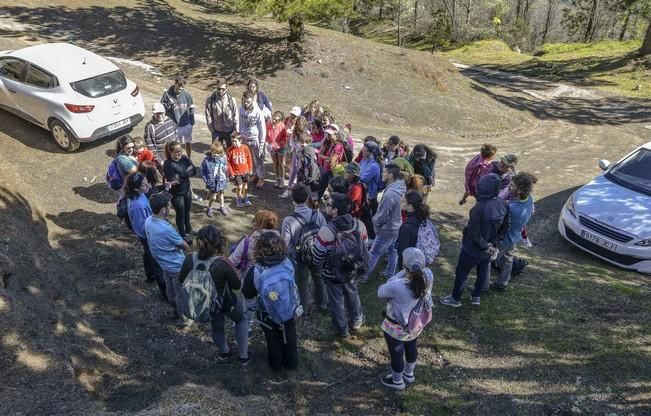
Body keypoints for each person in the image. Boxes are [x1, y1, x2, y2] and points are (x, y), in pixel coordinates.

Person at [178, 225, 251, 364]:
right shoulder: (221, 263)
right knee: (241, 319)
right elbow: (236, 286)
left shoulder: (189, 259)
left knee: (217, 327)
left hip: (207, 304)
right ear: (218, 242)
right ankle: (243, 356)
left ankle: (224, 352)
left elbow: (181, 279)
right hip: (227, 302)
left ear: (198, 241)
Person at [440, 174, 510, 307]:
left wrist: (485, 246)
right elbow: (506, 227)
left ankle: (455, 298)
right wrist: (494, 244)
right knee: (482, 270)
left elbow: (474, 233)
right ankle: (476, 297)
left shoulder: (478, 208)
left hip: (472, 249)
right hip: (489, 248)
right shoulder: (503, 204)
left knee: (462, 272)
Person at [312, 193, 368, 338]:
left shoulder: (326, 231)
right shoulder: (359, 225)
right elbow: (364, 246)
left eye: (329, 204)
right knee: (353, 293)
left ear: (335, 210)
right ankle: (356, 321)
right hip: (354, 270)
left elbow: (317, 257)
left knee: (336, 300)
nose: (326, 205)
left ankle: (342, 329)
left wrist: (321, 267)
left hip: (333, 274)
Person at [378, 247, 433, 390]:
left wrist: (401, 273)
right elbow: (418, 274)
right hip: (415, 325)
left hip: (396, 328)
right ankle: (409, 374)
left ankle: (397, 382)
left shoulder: (398, 285)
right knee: (411, 347)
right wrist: (407, 271)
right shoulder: (428, 275)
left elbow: (381, 291)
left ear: (404, 265)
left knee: (396, 353)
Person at [242, 231, 298, 371]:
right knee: (290, 335)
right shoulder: (289, 262)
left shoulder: (255, 271)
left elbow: (248, 294)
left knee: (272, 338)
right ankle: (291, 363)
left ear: (258, 250)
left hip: (267, 313)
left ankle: (276, 364)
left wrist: (252, 308)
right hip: (289, 308)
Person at [281, 184, 328, 312]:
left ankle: (304, 307)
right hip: (317, 253)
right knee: (318, 277)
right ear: (308, 197)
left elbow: (285, 243)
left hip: (299, 256)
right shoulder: (317, 215)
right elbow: (325, 233)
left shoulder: (288, 220)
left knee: (301, 281)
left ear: (293, 199)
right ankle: (322, 304)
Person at [145, 192, 191, 315]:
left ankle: (175, 310)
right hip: (176, 266)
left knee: (171, 292)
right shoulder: (166, 229)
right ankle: (185, 318)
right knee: (181, 294)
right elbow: (185, 246)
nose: (171, 207)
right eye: (169, 205)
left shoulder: (148, 221)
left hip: (164, 265)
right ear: (163, 210)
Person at [490, 173, 536, 291]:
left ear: (519, 190)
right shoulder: (529, 199)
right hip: (515, 236)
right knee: (507, 259)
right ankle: (502, 283)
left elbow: (497, 222)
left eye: (512, 185)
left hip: (504, 240)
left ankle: (483, 286)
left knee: (486, 261)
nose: (509, 187)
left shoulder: (511, 208)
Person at [362, 164, 406, 282]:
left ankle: (363, 276)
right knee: (392, 250)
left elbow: (381, 216)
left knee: (374, 253)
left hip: (387, 229)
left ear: (390, 175)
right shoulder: (400, 187)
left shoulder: (389, 195)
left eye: (384, 172)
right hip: (396, 225)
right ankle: (390, 273)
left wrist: (376, 225)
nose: (382, 174)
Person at [124, 172, 165, 297]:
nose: (147, 186)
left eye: (147, 182)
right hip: (149, 236)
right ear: (136, 188)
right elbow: (142, 228)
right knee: (157, 262)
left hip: (149, 233)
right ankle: (165, 292)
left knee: (148, 254)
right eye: (144, 185)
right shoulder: (138, 206)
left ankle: (150, 275)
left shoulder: (139, 194)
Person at [229, 210, 279, 279]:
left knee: (232, 248)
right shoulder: (280, 241)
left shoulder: (248, 242)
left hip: (251, 280)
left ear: (259, 224)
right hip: (273, 279)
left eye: (255, 221)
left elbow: (232, 262)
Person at [163, 141, 196, 238]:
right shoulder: (168, 164)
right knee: (180, 213)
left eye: (180, 151)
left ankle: (189, 229)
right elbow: (173, 181)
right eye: (176, 152)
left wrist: (181, 176)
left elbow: (194, 170)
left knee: (187, 210)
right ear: (170, 152)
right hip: (176, 194)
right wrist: (186, 173)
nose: (179, 154)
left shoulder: (184, 158)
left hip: (186, 190)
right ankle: (182, 234)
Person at [161, 75, 195, 159]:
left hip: (186, 124)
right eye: (179, 87)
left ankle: (188, 158)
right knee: (176, 146)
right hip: (174, 126)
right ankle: (178, 160)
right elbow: (162, 109)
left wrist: (191, 122)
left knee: (188, 142)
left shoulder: (187, 95)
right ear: (175, 83)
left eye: (182, 87)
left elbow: (191, 108)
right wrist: (169, 105)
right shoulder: (167, 95)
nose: (181, 89)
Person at [396, 190, 430, 270]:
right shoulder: (421, 218)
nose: (400, 201)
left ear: (410, 206)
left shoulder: (407, 227)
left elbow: (402, 252)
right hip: (419, 259)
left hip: (408, 265)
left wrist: (401, 269)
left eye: (403, 201)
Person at [239, 90, 267, 189]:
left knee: (259, 158)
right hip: (245, 137)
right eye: (244, 101)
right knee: (250, 158)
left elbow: (262, 128)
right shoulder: (241, 108)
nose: (246, 103)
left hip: (255, 138)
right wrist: (240, 135)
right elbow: (240, 122)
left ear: (252, 101)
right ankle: (255, 174)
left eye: (248, 102)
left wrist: (262, 143)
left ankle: (261, 177)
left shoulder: (258, 112)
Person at [359, 140, 383, 239]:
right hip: (363, 194)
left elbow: (362, 178)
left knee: (368, 219)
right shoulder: (364, 161)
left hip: (370, 197)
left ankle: (372, 237)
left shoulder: (374, 166)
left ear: (371, 152)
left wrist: (354, 176)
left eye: (365, 151)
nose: (363, 153)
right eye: (362, 151)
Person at [205, 79, 239, 149]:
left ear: (227, 88)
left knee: (231, 152)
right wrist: (212, 130)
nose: (220, 91)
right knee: (216, 153)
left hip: (229, 131)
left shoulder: (232, 100)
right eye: (219, 89)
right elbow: (208, 115)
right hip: (216, 132)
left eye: (223, 89)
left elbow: (236, 116)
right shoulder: (210, 100)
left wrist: (236, 130)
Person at [282, 115, 309, 199]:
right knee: (293, 170)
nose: (300, 127)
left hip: (304, 154)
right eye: (299, 124)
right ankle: (289, 188)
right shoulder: (294, 131)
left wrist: (303, 147)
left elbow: (308, 143)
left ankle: (299, 190)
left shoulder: (307, 132)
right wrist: (295, 148)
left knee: (302, 172)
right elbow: (291, 142)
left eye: (302, 125)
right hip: (296, 153)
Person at [344, 162, 373, 239]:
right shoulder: (351, 184)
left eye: (347, 172)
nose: (345, 173)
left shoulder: (356, 188)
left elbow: (349, 202)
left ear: (353, 175)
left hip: (356, 216)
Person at [144, 103, 178, 167]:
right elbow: (151, 146)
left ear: (164, 112)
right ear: (153, 114)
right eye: (156, 113)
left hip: (175, 154)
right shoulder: (150, 127)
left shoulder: (169, 120)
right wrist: (160, 161)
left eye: (160, 113)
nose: (159, 115)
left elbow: (176, 134)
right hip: (163, 159)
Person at [316, 126, 345, 201]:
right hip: (326, 169)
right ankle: (317, 201)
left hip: (333, 171)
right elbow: (320, 154)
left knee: (332, 189)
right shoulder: (329, 142)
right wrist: (327, 158)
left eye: (330, 134)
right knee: (321, 186)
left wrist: (328, 159)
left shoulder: (338, 145)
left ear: (336, 134)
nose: (328, 135)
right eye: (327, 133)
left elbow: (332, 161)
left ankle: (330, 203)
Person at [201, 142, 229, 217]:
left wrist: (225, 169)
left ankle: (222, 206)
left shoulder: (223, 158)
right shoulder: (207, 160)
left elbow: (226, 167)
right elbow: (203, 170)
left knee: (221, 194)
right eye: (215, 153)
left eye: (219, 154)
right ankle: (209, 207)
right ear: (211, 152)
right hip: (212, 181)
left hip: (221, 180)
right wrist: (206, 180)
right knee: (213, 197)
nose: (217, 156)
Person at [226, 133, 253, 208]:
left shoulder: (245, 148)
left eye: (235, 141)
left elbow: (249, 158)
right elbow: (228, 162)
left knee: (245, 186)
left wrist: (250, 169)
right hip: (236, 173)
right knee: (239, 187)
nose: (234, 143)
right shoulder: (230, 150)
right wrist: (231, 172)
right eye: (232, 141)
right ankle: (239, 198)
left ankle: (245, 197)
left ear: (240, 140)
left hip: (245, 171)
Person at [266, 111, 288, 189]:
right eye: (273, 119)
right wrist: (269, 142)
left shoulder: (282, 126)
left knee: (280, 164)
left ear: (280, 120)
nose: (274, 121)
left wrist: (280, 144)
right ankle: (277, 178)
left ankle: (281, 179)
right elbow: (266, 135)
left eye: (276, 120)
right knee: (275, 163)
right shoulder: (269, 124)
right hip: (272, 147)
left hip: (280, 147)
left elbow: (285, 137)